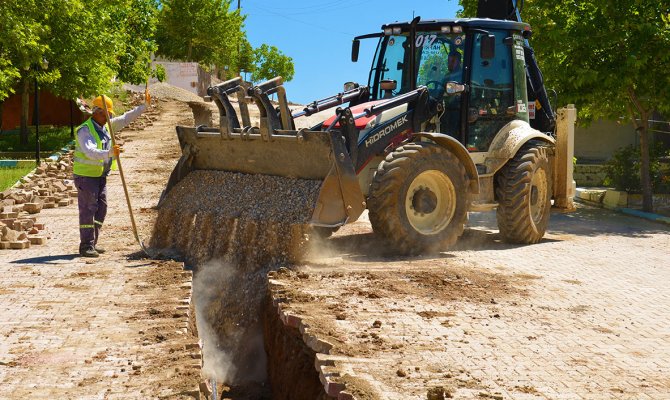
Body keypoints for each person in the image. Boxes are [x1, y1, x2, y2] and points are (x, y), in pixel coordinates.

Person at [73, 93, 149, 257]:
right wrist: (109, 152)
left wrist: (144, 107)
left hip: (100, 176)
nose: (109, 118)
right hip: (86, 177)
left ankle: (93, 242)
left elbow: (125, 118)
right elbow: (90, 151)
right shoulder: (85, 130)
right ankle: (85, 246)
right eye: (106, 114)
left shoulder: (105, 126)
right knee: (88, 209)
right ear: (97, 112)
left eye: (109, 115)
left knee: (102, 208)